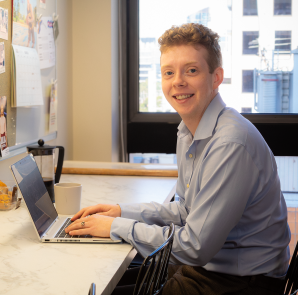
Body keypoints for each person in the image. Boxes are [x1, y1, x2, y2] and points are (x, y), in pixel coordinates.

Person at [65, 23, 290, 295]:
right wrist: (120, 212)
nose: (178, 81)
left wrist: (115, 227)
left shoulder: (230, 144)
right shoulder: (189, 131)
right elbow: (186, 211)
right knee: (100, 280)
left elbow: (194, 246)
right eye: (168, 72)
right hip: (209, 266)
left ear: (216, 77)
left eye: (191, 70)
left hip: (242, 282)